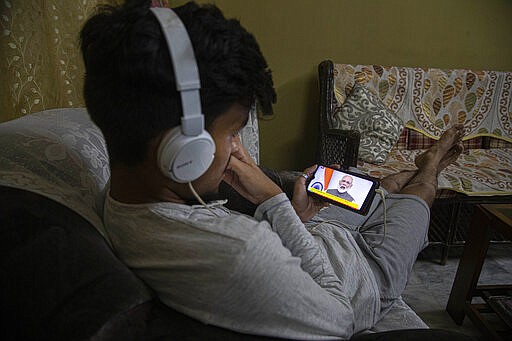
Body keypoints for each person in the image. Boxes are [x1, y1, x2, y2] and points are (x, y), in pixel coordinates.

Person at [80, 1, 465, 339]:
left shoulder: (123, 197)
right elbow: (341, 318)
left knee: (372, 190)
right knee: (420, 197)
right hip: (368, 272)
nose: (238, 149)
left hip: (315, 232)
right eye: (232, 133)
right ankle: (430, 165)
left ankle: (393, 181)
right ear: (183, 151)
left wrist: (293, 216)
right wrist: (272, 199)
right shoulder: (241, 254)